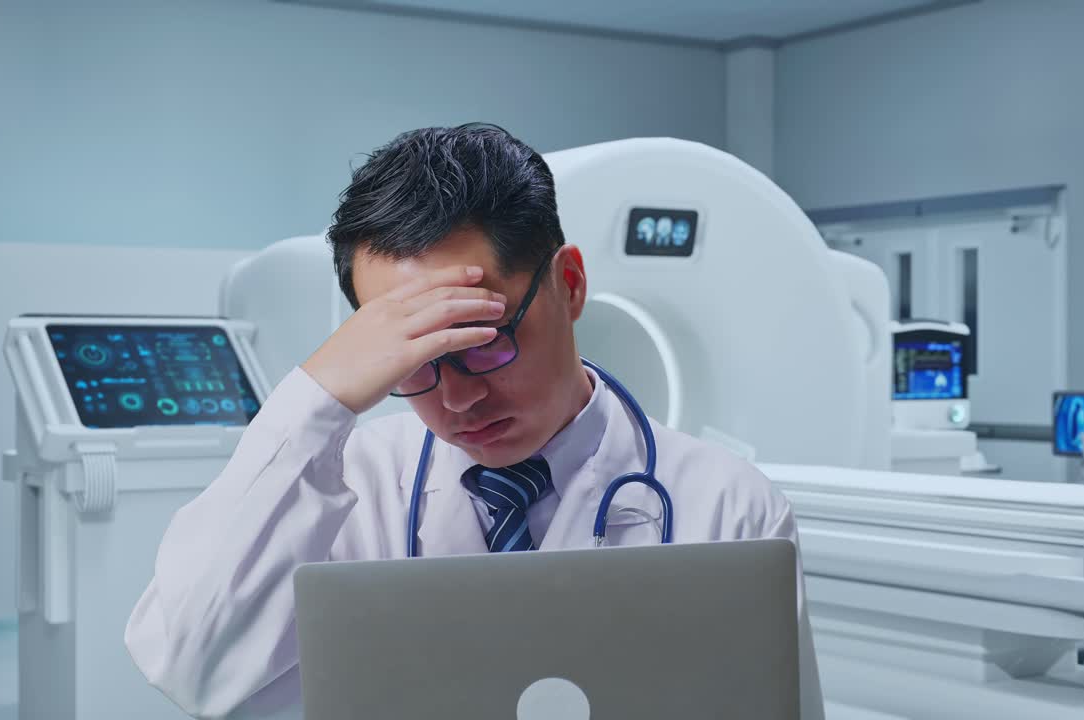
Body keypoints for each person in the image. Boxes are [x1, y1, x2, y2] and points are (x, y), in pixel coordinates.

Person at [124, 123, 824, 719]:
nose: (457, 401)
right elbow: (191, 667)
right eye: (415, 358)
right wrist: (317, 396)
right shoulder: (343, 491)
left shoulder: (730, 507)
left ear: (570, 285)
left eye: (482, 340)